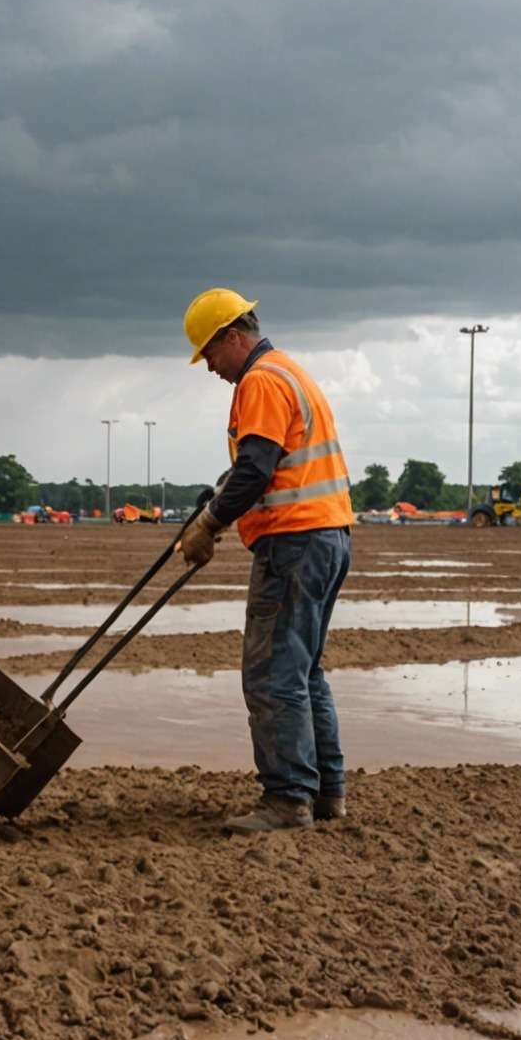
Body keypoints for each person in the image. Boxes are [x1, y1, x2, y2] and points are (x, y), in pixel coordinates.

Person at [177, 289, 355, 832]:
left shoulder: (260, 380)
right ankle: (326, 793)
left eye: (209, 354)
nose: (209, 367)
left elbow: (256, 471)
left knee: (272, 674)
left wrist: (209, 523)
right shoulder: (289, 372)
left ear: (234, 337)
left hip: (294, 541)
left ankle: (286, 800)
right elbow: (263, 464)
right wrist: (217, 497)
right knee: (304, 672)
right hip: (328, 536)